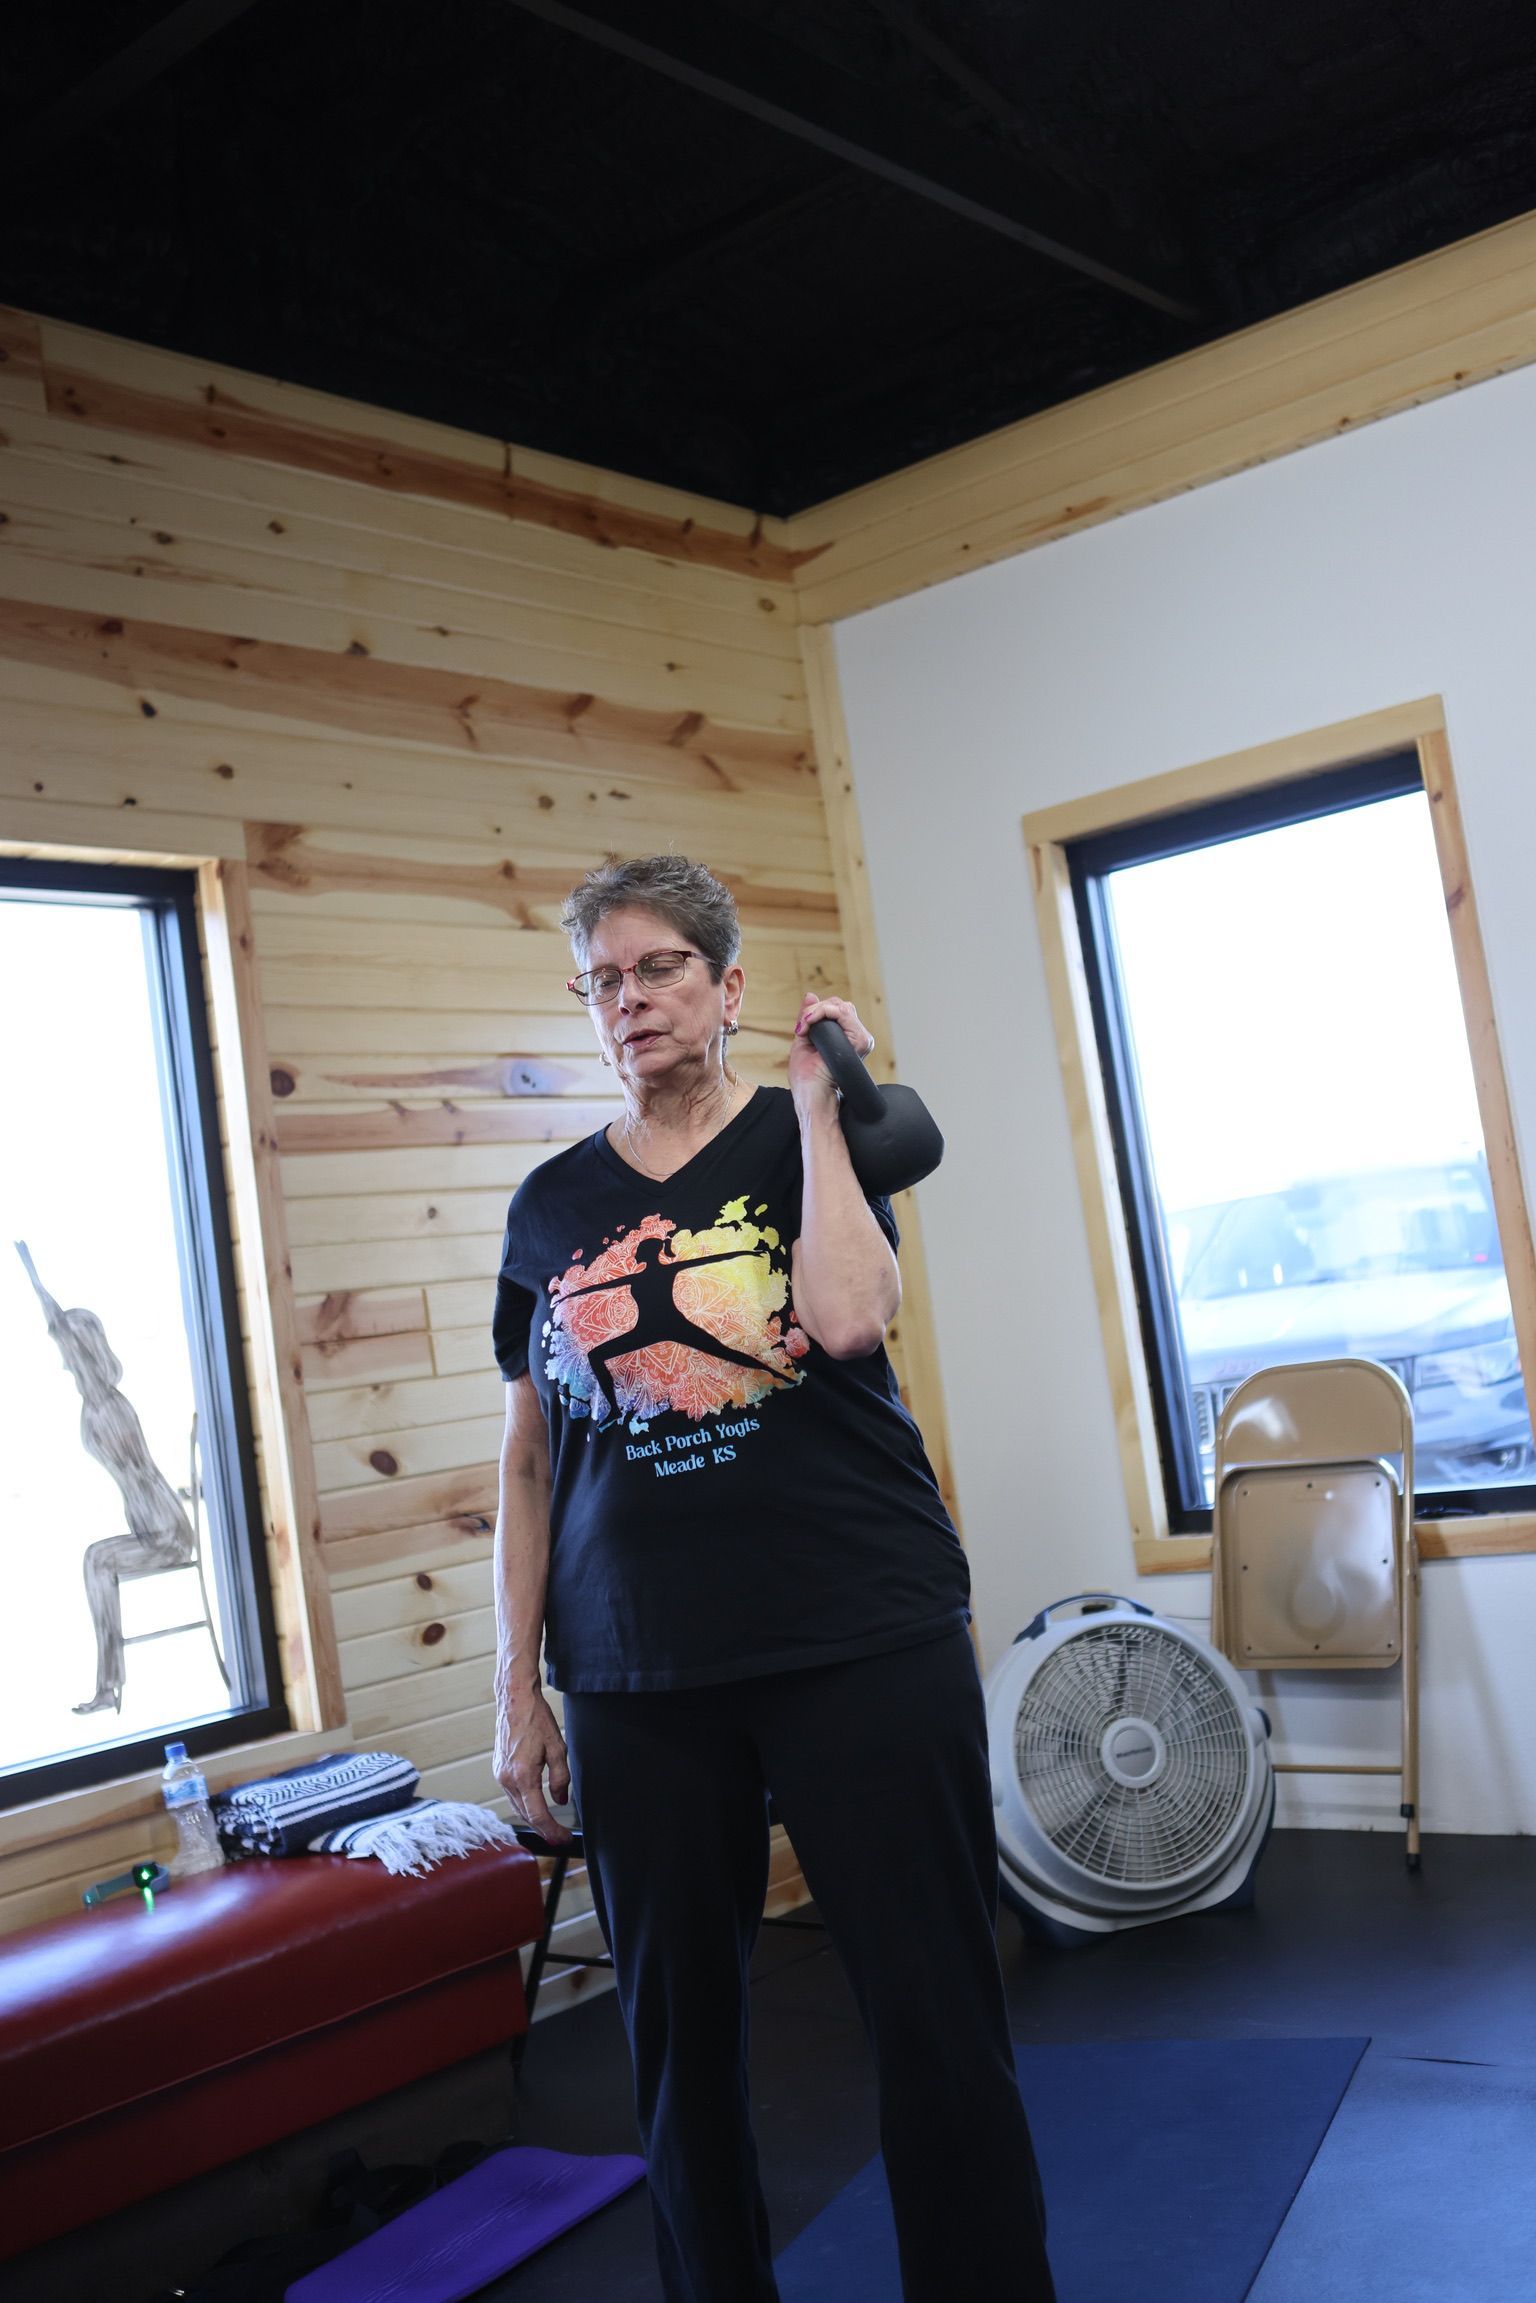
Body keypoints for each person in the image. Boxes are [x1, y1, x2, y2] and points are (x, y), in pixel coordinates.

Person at [490, 856, 1055, 2303]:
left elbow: (853, 1318)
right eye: (603, 979)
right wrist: (518, 1686)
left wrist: (817, 1108)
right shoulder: (549, 1207)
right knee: (677, 2053)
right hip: (635, 1671)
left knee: (935, 2019)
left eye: (660, 966)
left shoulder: (814, 1139)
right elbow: (531, 1460)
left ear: (729, 986)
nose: (631, 1000)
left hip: (858, 1631)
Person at [16, 1240, 195, 1713]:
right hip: (155, 1520)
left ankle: (107, 1686)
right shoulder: (101, 1401)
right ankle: (108, 1685)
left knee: (96, 1562)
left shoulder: (103, 1401)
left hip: (164, 1530)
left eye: (66, 1348)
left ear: (82, 1351)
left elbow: (61, 1327)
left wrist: (32, 1274)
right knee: (95, 1559)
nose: (61, 1356)